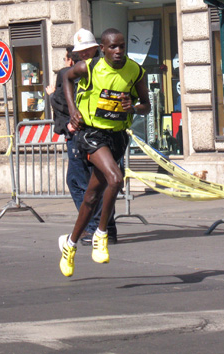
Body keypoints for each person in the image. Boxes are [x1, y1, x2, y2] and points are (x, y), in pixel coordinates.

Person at [58, 28, 151, 277]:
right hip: (91, 133)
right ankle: (101, 234)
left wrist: (133, 107)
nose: (118, 51)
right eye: (112, 47)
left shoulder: (136, 71)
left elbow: (146, 106)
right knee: (116, 178)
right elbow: (66, 77)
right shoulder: (89, 67)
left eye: (122, 46)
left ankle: (69, 244)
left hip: (117, 136)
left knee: (91, 197)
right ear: (103, 48)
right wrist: (72, 109)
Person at [46, 30, 117, 247]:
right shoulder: (94, 69)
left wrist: (68, 115)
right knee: (99, 182)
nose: (83, 55)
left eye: (85, 50)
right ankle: (105, 228)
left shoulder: (82, 71)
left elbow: (60, 99)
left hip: (86, 136)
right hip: (99, 134)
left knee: (83, 183)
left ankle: (94, 227)